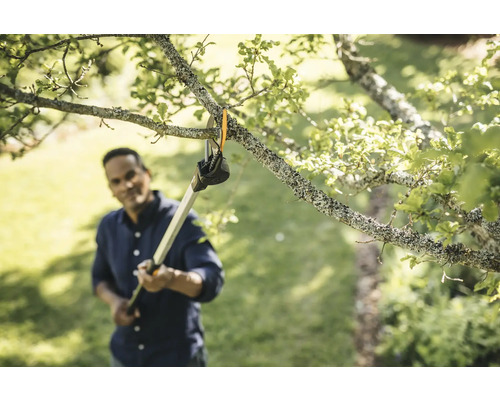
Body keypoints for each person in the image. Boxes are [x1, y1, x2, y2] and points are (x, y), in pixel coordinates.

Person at [91, 147, 224, 367]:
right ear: (111, 189)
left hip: (177, 358)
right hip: (125, 357)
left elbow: (211, 279)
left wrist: (170, 279)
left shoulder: (182, 220)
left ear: (147, 174)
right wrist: (114, 302)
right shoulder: (108, 227)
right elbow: (99, 280)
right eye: (116, 182)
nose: (126, 185)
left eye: (130, 175)